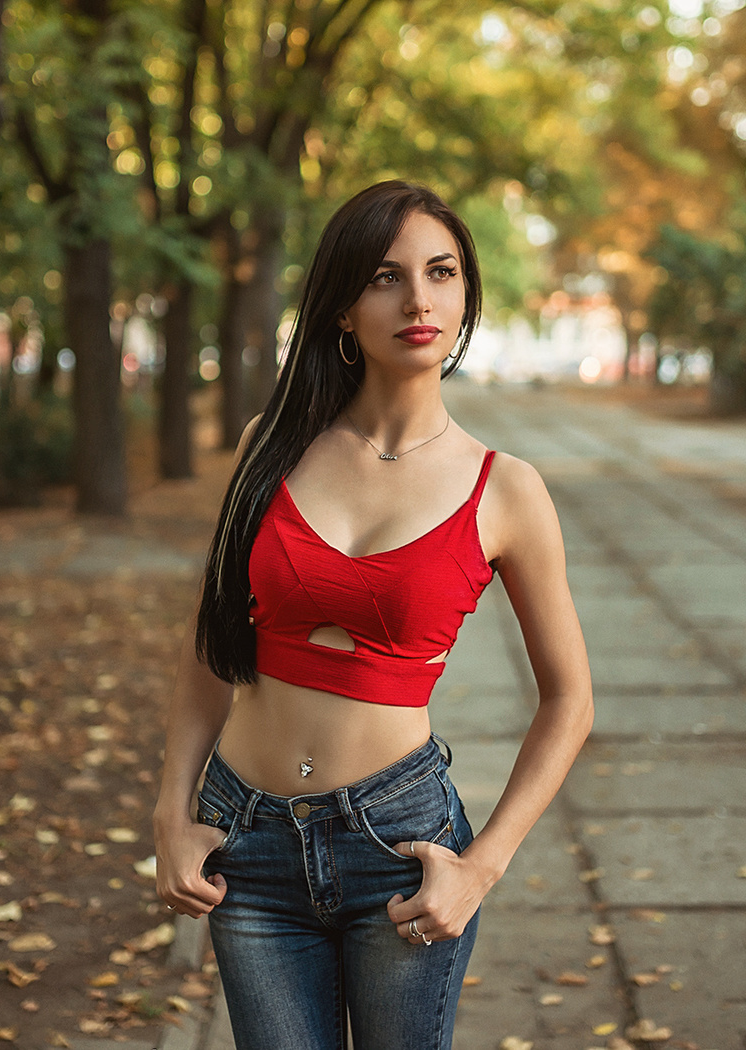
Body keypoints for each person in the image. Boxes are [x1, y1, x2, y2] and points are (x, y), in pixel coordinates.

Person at [152, 180, 593, 1050]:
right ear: (345, 308)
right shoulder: (267, 446)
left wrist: (482, 868)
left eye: (442, 273)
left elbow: (570, 701)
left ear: (466, 297)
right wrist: (171, 814)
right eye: (387, 277)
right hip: (247, 839)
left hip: (396, 847)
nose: (419, 299)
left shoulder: (505, 490)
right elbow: (214, 646)